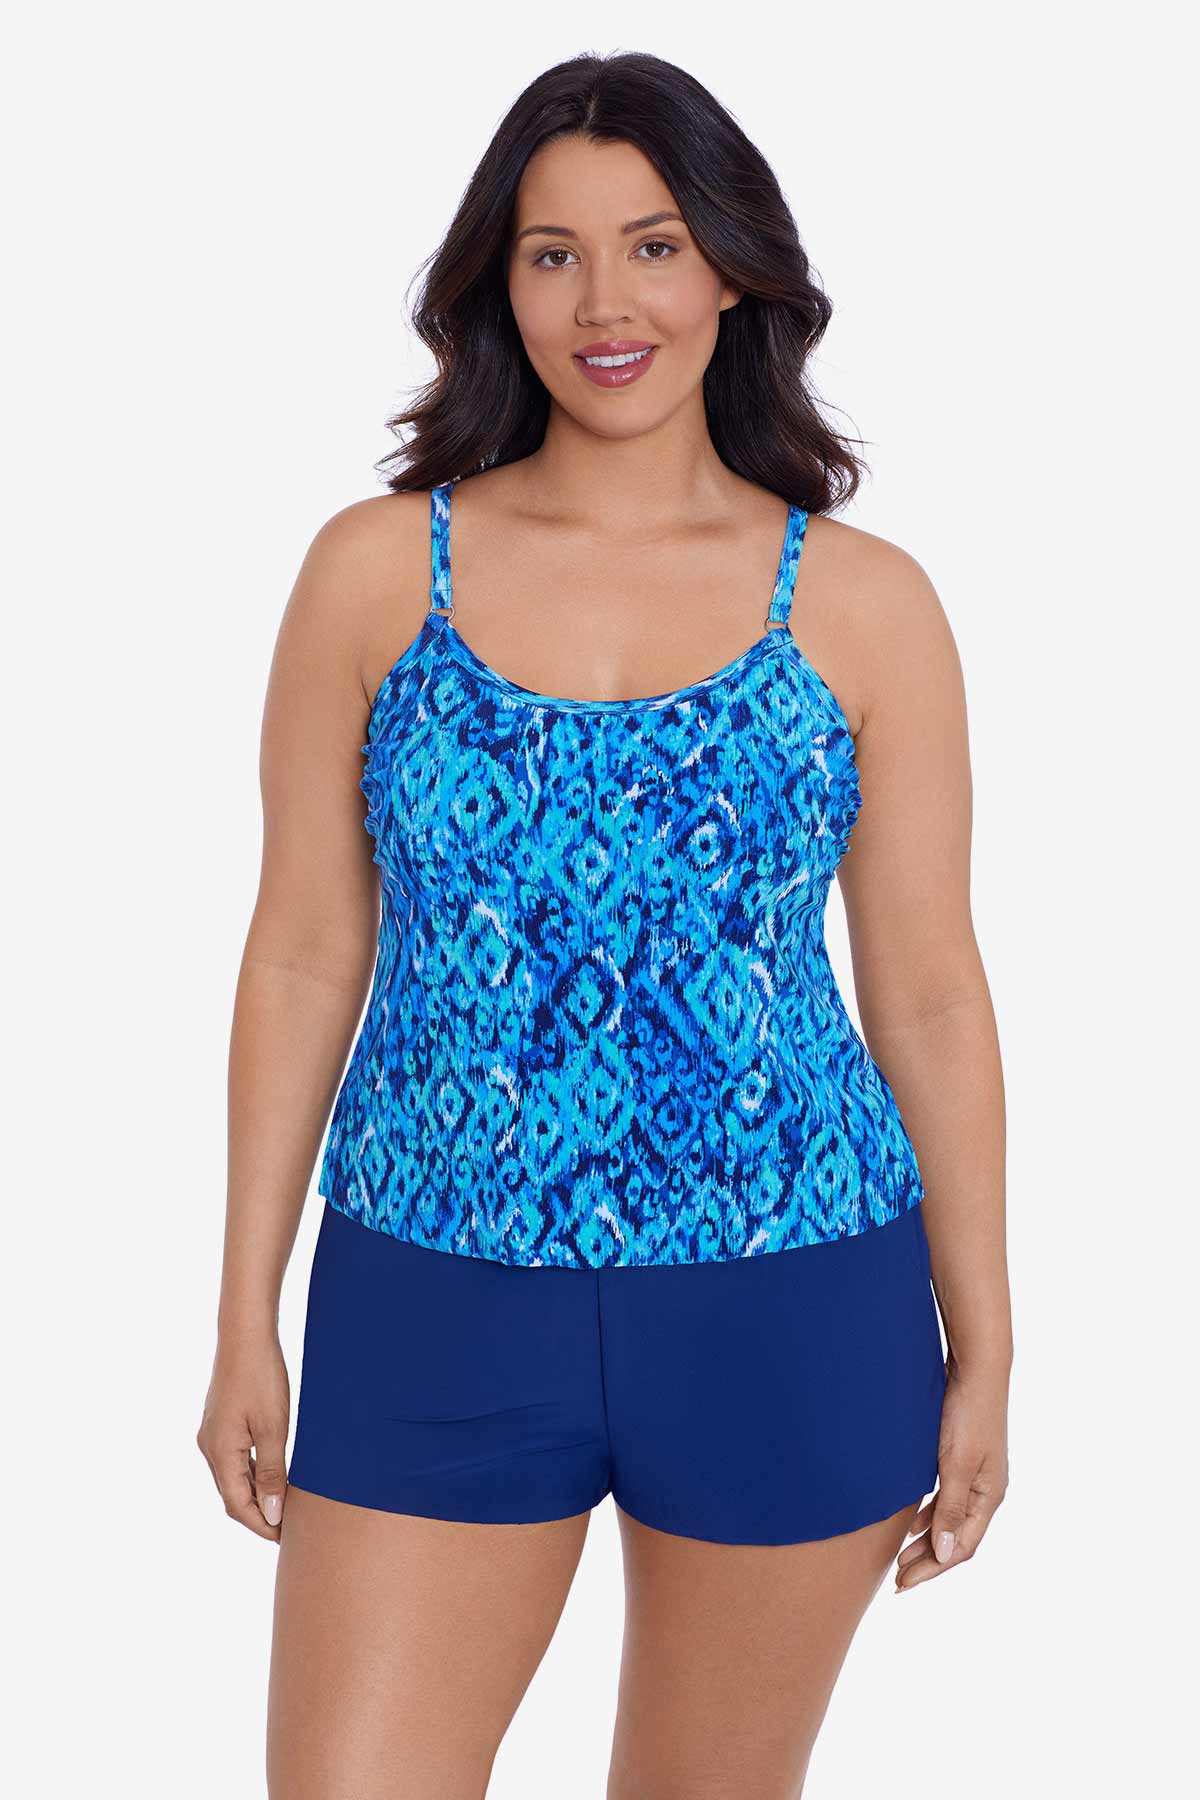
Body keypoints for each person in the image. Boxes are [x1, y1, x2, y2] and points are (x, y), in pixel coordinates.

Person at [197, 49, 1012, 1800]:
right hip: (434, 1285)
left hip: (793, 1291)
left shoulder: (866, 607)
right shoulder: (374, 574)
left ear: (731, 270)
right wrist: (242, 1309)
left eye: (653, 247)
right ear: (498, 286)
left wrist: (989, 1343)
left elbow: (932, 994)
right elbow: (304, 950)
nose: (605, 303)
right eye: (552, 254)